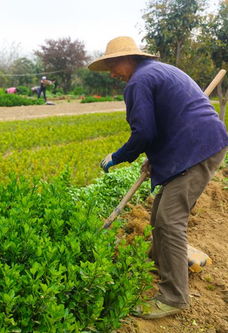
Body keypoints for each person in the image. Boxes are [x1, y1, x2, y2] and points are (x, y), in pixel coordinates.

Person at [88, 36, 228, 319]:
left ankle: (174, 296)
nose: (113, 72)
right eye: (109, 67)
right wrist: (155, 157)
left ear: (131, 58)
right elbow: (168, 121)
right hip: (195, 143)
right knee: (158, 214)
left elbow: (145, 133)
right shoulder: (158, 71)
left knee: (169, 220)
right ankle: (158, 263)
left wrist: (120, 156)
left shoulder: (139, 81)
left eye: (115, 64)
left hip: (195, 148)